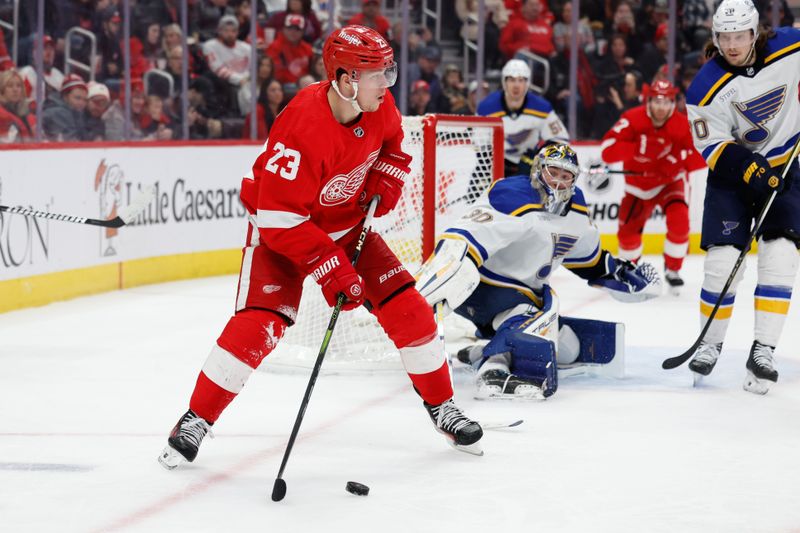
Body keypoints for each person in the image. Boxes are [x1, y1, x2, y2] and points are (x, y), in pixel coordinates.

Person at [158, 25, 484, 470]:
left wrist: (388, 174)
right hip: (282, 232)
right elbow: (279, 219)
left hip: (347, 227)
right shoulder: (301, 126)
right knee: (260, 326)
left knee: (411, 311)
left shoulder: (377, 104)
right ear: (347, 80)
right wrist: (333, 271)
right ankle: (195, 419)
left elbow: (393, 142)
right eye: (378, 76)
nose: (388, 85)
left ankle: (442, 406)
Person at [416, 143, 661, 399]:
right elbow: (463, 238)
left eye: (566, 176)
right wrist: (444, 272)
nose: (558, 182)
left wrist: (617, 271)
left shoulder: (576, 210)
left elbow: (588, 260)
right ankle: (493, 369)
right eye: (553, 172)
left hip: (512, 299)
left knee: (567, 347)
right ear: (537, 170)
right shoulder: (514, 193)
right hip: (479, 287)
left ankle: (480, 352)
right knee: (540, 307)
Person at [684, 0, 800, 394]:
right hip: (732, 176)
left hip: (786, 167)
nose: (732, 45)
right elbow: (712, 145)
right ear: (716, 38)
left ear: (755, 33)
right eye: (725, 37)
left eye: (740, 36)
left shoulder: (790, 46)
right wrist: (749, 169)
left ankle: (763, 350)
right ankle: (709, 343)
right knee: (721, 261)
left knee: (781, 255)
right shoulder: (704, 85)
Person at [600, 79, 705, 293]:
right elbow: (607, 150)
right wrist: (636, 149)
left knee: (680, 222)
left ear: (673, 103)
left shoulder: (682, 123)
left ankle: (673, 269)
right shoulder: (631, 119)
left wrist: (676, 162)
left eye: (666, 102)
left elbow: (702, 154)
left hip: (669, 183)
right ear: (648, 101)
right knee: (627, 235)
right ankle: (629, 269)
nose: (661, 107)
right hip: (637, 186)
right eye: (657, 101)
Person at [477, 59, 567, 176]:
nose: (516, 85)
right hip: (493, 167)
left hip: (528, 167)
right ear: (504, 82)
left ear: (527, 83)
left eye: (521, 80)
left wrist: (539, 157)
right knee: (477, 191)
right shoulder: (486, 108)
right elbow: (479, 145)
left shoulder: (542, 108)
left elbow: (561, 140)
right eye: (512, 80)